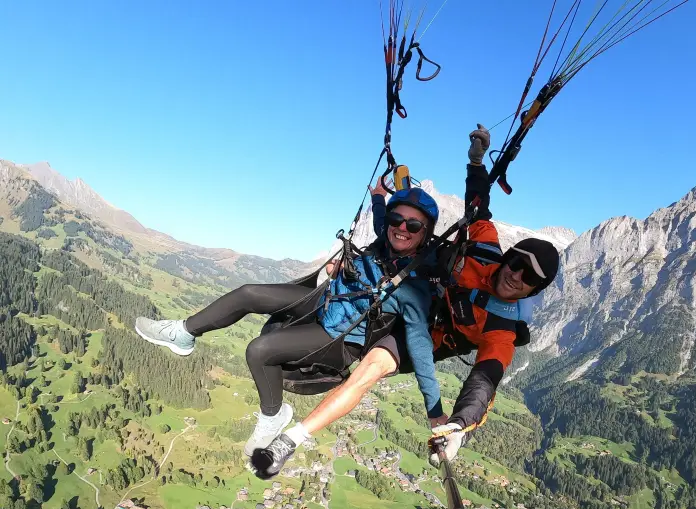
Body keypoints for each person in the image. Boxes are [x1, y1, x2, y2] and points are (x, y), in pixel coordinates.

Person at [251, 124, 561, 477]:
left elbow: (484, 379)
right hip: (408, 290)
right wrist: (476, 161)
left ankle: (288, 441)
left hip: (423, 336)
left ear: (534, 291)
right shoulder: (486, 244)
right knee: (341, 295)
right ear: (508, 257)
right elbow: (478, 203)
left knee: (371, 369)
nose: (517, 276)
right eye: (517, 264)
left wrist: (459, 423)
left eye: (530, 278)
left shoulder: (500, 330)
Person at [133, 185, 442, 460]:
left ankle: (273, 415)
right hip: (326, 302)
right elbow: (380, 216)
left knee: (259, 350)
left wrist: (435, 411)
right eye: (396, 220)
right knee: (248, 293)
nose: (401, 228)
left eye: (413, 225)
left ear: (425, 233)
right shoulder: (386, 239)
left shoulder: (414, 288)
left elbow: (419, 346)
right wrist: (378, 195)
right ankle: (182, 333)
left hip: (339, 337)